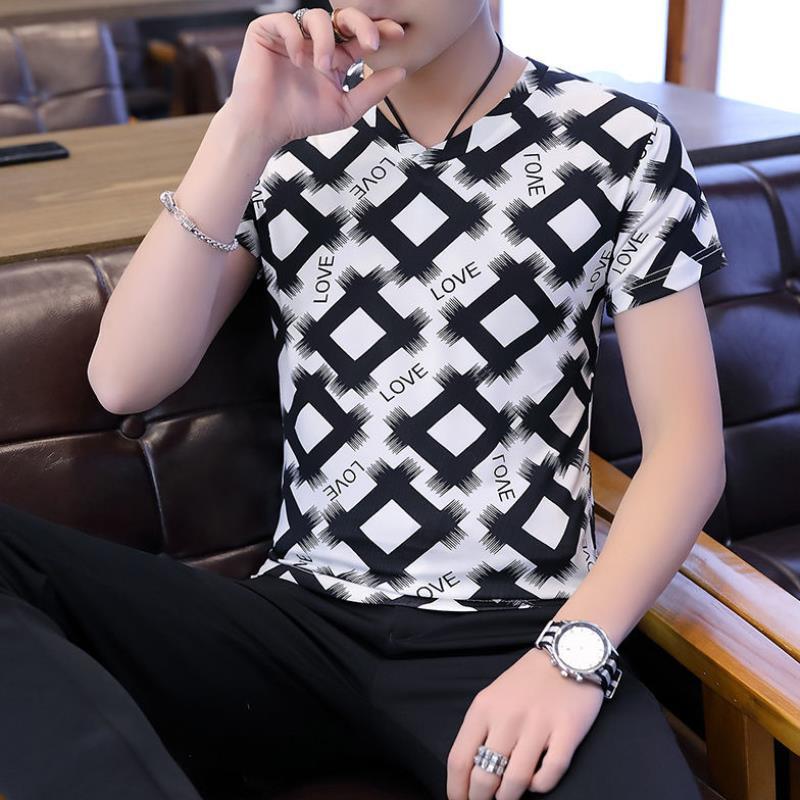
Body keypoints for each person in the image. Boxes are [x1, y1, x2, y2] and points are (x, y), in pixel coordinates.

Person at [0, 3, 728, 799]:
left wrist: (572, 655)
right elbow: (125, 380)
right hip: (297, 628)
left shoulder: (619, 140)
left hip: (514, 630)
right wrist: (244, 128)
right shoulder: (283, 143)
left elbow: (686, 450)